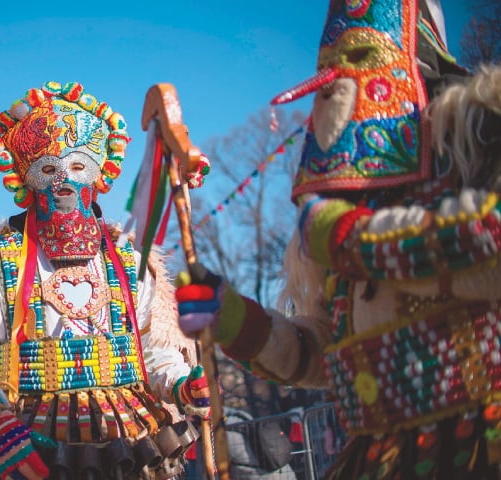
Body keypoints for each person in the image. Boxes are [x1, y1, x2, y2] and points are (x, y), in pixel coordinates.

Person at [175, 0, 501, 478]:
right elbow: (328, 353)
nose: (341, 82)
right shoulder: (341, 204)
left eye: (364, 56)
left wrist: (351, 239)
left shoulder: (480, 139)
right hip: (377, 458)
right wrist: (232, 319)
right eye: (329, 67)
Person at [0, 81, 209, 480]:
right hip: (26, 425)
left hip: (123, 433)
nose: (64, 182)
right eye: (48, 169)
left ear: (98, 176)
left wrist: (182, 385)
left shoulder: (128, 258)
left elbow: (150, 347)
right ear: (27, 180)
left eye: (78, 167)